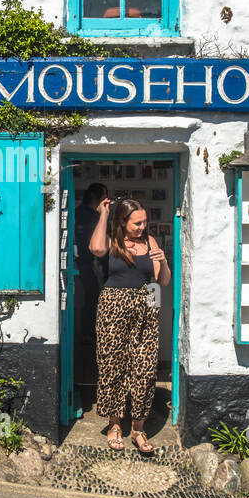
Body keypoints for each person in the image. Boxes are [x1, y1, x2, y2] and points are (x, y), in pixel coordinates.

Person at [89, 196, 171, 457]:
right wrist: (103, 214)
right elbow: (95, 249)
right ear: (122, 222)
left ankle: (138, 428)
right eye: (137, 223)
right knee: (113, 364)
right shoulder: (112, 241)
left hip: (147, 303)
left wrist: (164, 261)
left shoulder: (150, 242)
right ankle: (114, 424)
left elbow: (161, 283)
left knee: (145, 368)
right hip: (113, 306)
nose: (142, 227)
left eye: (145, 222)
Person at [74, 182, 107, 341]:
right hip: (85, 263)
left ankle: (87, 332)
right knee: (92, 295)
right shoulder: (93, 216)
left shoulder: (78, 212)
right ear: (95, 196)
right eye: (104, 195)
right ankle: (87, 333)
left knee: (91, 296)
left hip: (85, 262)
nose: (106, 199)